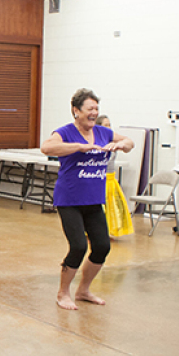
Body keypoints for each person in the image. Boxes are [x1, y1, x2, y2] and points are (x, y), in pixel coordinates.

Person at [40, 89, 134, 310]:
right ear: (76, 111)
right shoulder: (65, 132)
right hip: (69, 200)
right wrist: (79, 147)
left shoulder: (103, 132)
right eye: (90, 109)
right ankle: (63, 293)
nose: (94, 113)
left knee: (101, 247)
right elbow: (47, 147)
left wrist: (120, 145)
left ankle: (83, 290)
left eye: (96, 109)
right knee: (78, 246)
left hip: (93, 200)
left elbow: (130, 143)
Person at [97, 115, 134, 239]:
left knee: (112, 207)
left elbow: (128, 143)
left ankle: (108, 231)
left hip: (111, 179)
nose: (108, 127)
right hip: (99, 180)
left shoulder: (114, 141)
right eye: (105, 125)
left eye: (109, 124)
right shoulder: (96, 141)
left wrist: (122, 144)